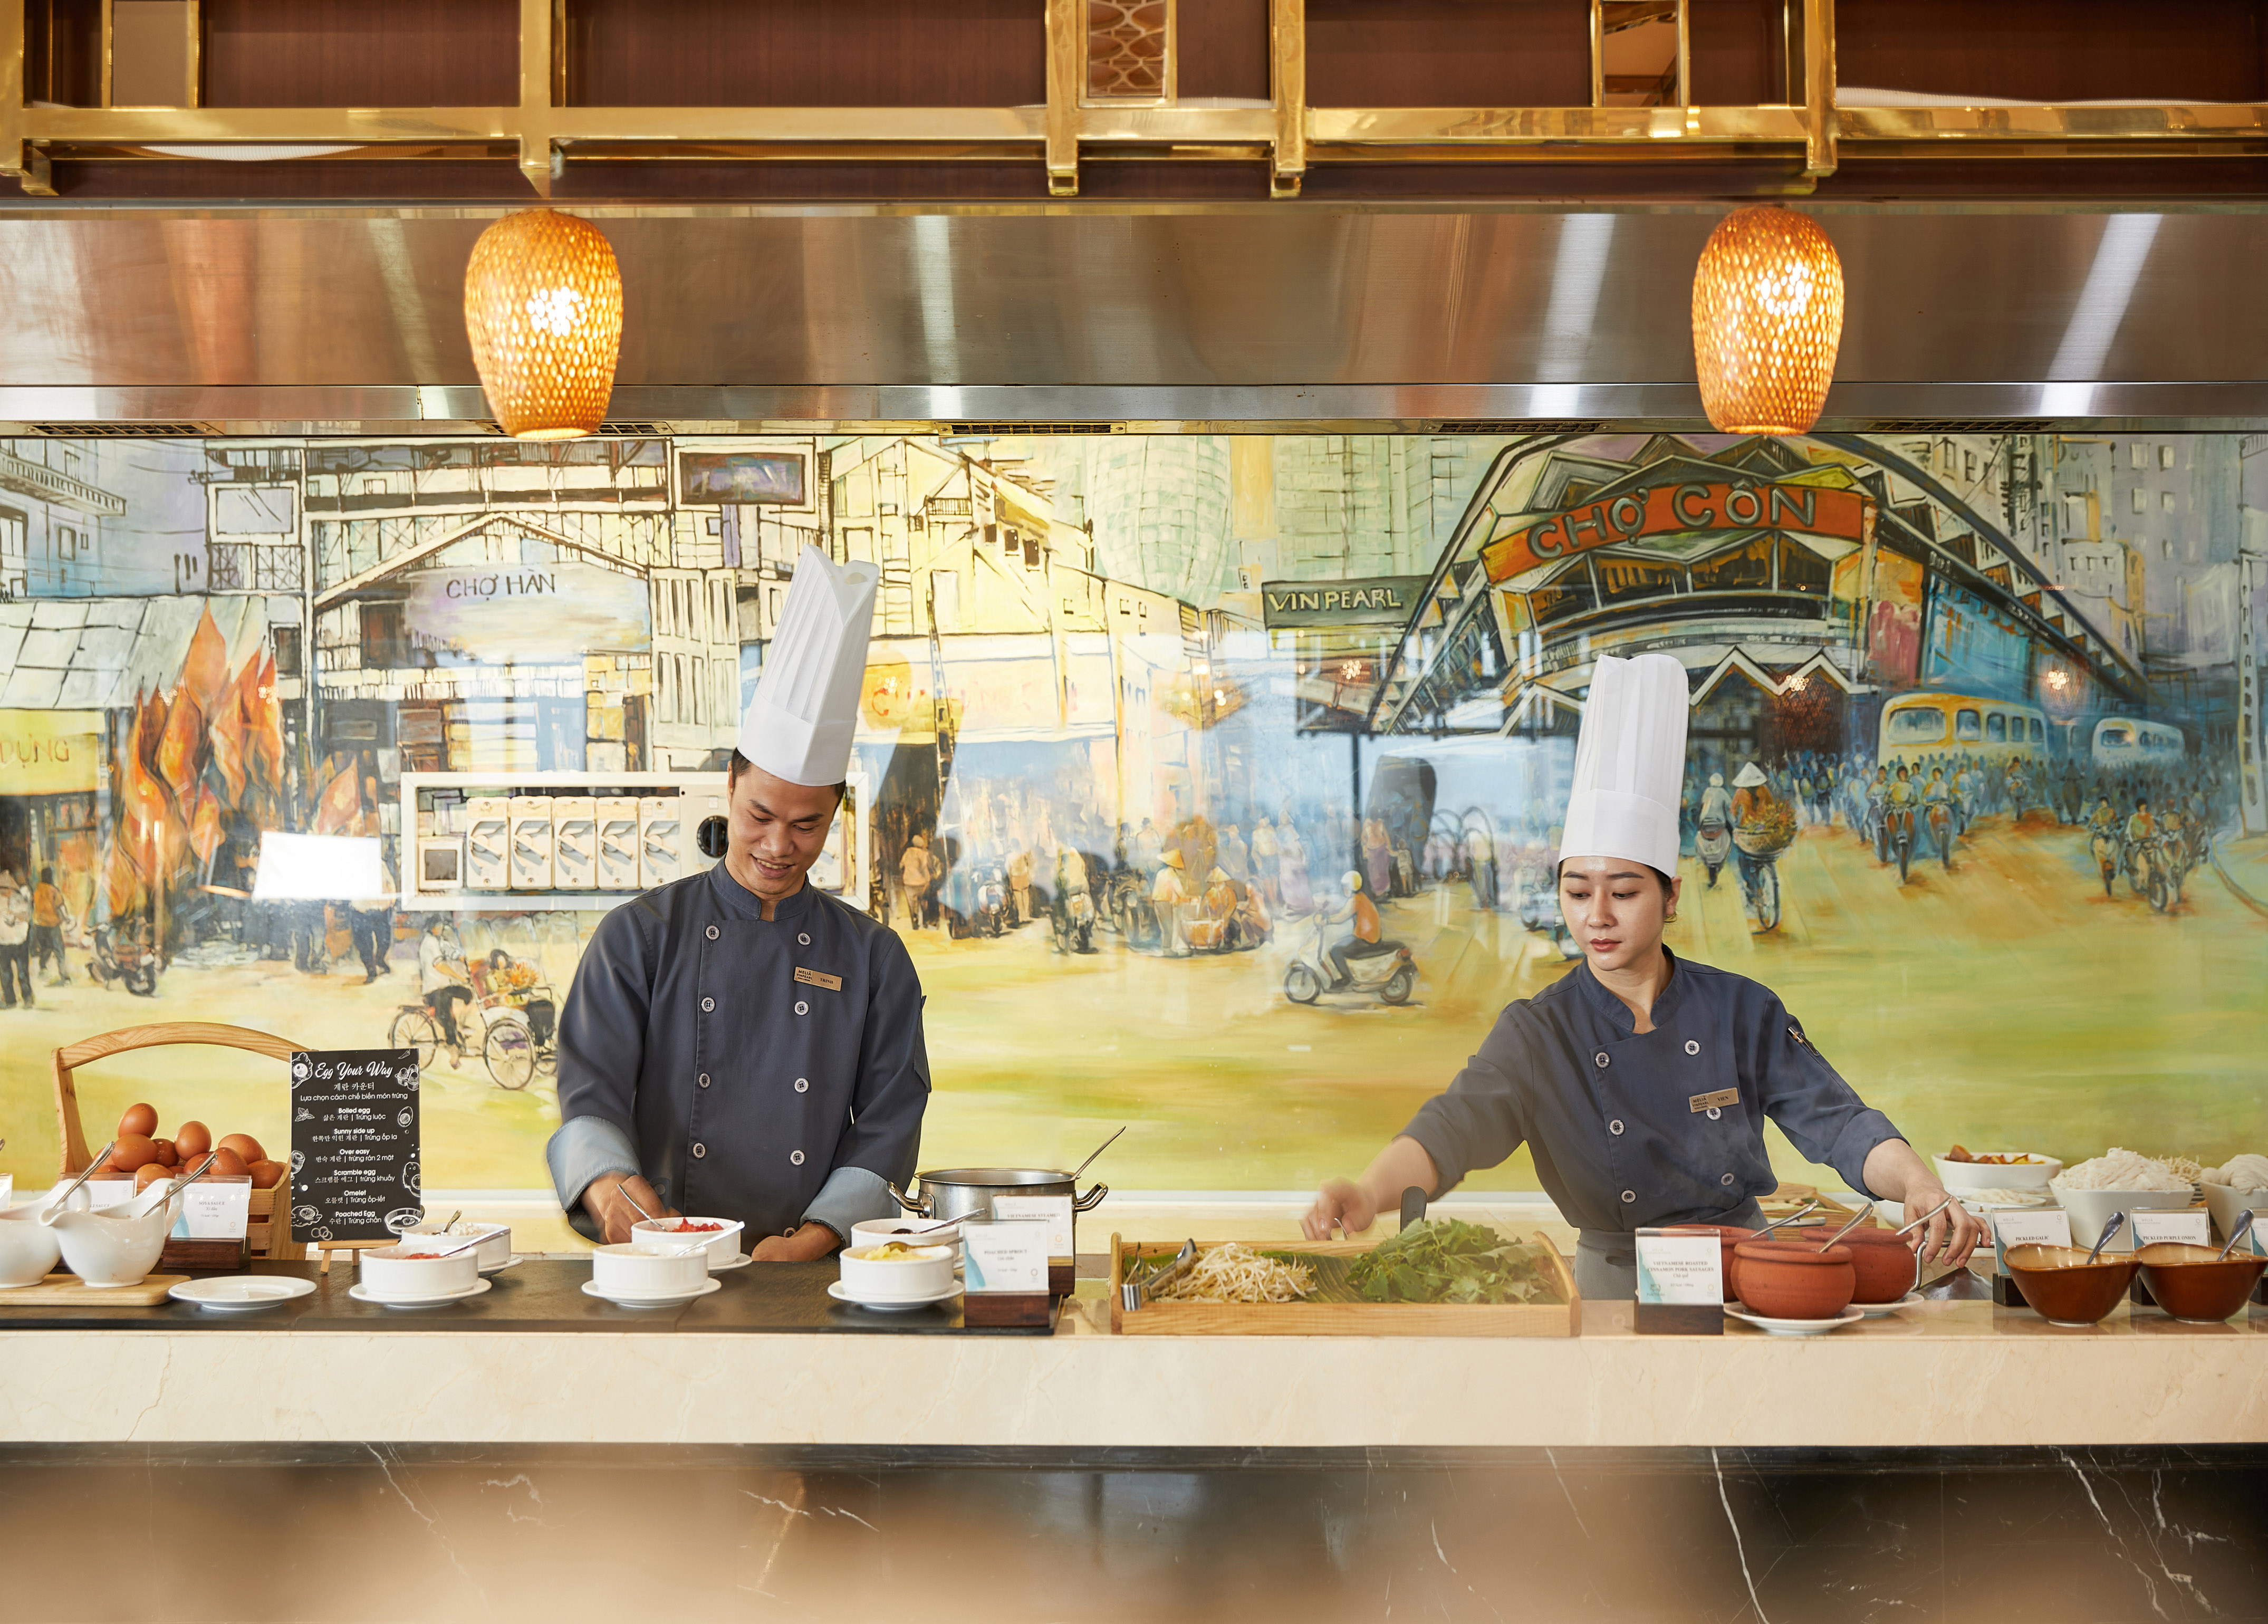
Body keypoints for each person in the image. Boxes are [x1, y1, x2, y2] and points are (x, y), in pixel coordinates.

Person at [1302, 652, 1983, 1299]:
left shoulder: (1741, 1009)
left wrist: (1916, 1183)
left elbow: (1838, 1123)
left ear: (1671, 897)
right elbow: (1449, 1130)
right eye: (1576, 891)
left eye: (1623, 892)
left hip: (1747, 1274)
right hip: (1613, 1286)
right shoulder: (1541, 1031)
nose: (1596, 916)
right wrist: (1366, 1193)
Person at [549, 548, 928, 1260]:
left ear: (837, 810)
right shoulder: (639, 936)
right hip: (660, 1261)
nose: (779, 845)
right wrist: (610, 1188)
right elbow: (589, 1088)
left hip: (809, 1269)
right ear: (730, 782)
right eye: (760, 815)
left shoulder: (873, 958)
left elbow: (889, 1119)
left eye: (807, 824)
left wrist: (816, 1238)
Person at [417, 919, 472, 1067]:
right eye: (438, 926)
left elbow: (449, 950)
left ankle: (460, 1026)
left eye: (441, 926)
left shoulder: (439, 939)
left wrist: (460, 957)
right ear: (431, 928)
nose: (440, 929)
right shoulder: (429, 943)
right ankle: (453, 1051)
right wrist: (460, 977)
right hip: (434, 988)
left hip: (444, 986)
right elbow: (439, 965)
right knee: (447, 1017)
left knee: (467, 994)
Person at [31, 866, 70, 986]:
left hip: (40, 925)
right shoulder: (53, 890)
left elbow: (34, 906)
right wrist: (67, 917)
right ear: (51, 877)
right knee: (59, 951)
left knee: (46, 948)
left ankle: (43, 968)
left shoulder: (37, 891)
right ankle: (65, 977)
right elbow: (61, 906)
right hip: (53, 924)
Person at [1149, 849, 1191, 955]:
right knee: (1169, 927)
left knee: (1164, 927)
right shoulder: (1172, 875)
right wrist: (1188, 899)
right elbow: (1179, 891)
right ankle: (1168, 950)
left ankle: (1166, 948)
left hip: (1157, 901)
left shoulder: (1161, 873)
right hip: (1164, 902)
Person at [1465, 823, 1497, 910]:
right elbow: (1493, 848)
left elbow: (1470, 850)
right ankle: (1491, 901)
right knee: (1489, 882)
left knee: (1481, 883)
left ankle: (1484, 903)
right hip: (1488, 861)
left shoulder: (1473, 835)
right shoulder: (1489, 834)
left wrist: (1472, 857)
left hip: (1479, 861)